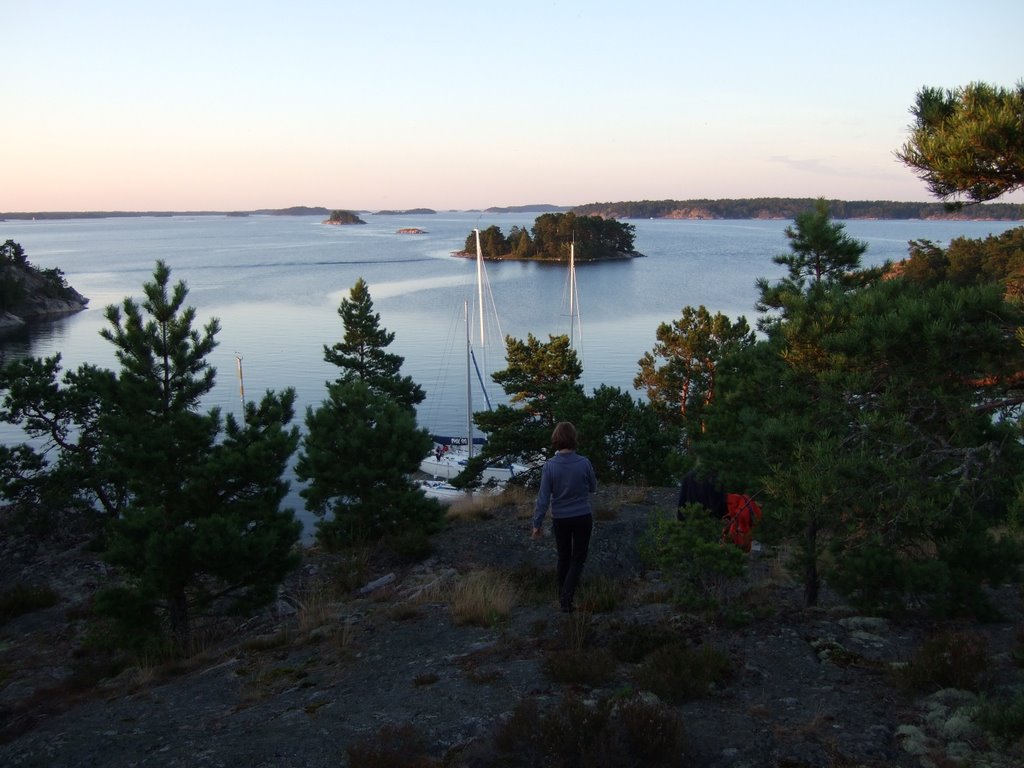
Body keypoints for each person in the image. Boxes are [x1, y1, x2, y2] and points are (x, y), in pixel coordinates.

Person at [532, 421, 598, 612]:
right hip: (582, 516)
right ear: (573, 439)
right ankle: (566, 598)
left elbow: (543, 498)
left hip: (560, 518)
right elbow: (593, 487)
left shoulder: (549, 466)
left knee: (563, 557)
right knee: (578, 557)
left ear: (556, 440)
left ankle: (563, 597)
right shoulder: (584, 463)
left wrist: (536, 523)